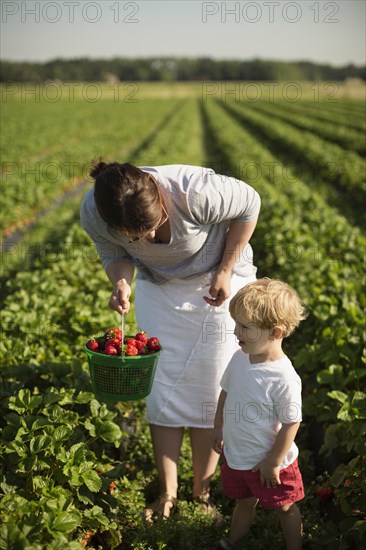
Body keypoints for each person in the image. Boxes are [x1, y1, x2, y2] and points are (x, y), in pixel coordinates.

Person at [80, 161, 261, 518]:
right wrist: (120, 282)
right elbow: (113, 254)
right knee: (162, 385)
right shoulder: (94, 210)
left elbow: (250, 204)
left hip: (217, 281)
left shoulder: (195, 193)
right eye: (134, 237)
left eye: (151, 228)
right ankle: (168, 491)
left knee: (210, 387)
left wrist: (225, 270)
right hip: (159, 289)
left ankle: (202, 491)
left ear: (161, 202)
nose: (146, 241)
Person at [212, 278, 307, 550]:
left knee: (285, 508)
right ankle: (234, 541)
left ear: (275, 332)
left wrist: (273, 461)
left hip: (271, 464)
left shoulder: (283, 377)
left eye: (245, 327)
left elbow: (291, 422)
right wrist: (218, 427)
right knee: (244, 502)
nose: (235, 332)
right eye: (236, 324)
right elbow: (225, 393)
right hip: (239, 455)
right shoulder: (240, 357)